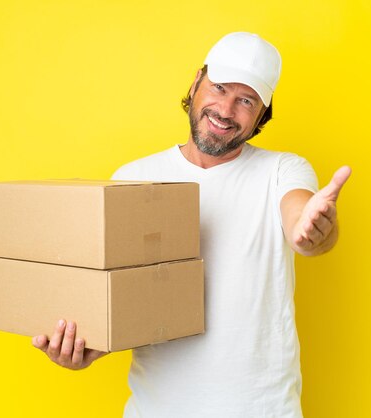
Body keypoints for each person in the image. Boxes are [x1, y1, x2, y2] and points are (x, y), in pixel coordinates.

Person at [32, 32, 351, 417]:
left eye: (246, 100)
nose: (225, 109)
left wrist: (314, 230)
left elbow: (301, 222)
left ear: (262, 114)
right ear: (196, 81)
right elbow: (119, 299)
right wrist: (87, 346)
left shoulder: (282, 170)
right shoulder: (133, 179)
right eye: (219, 87)